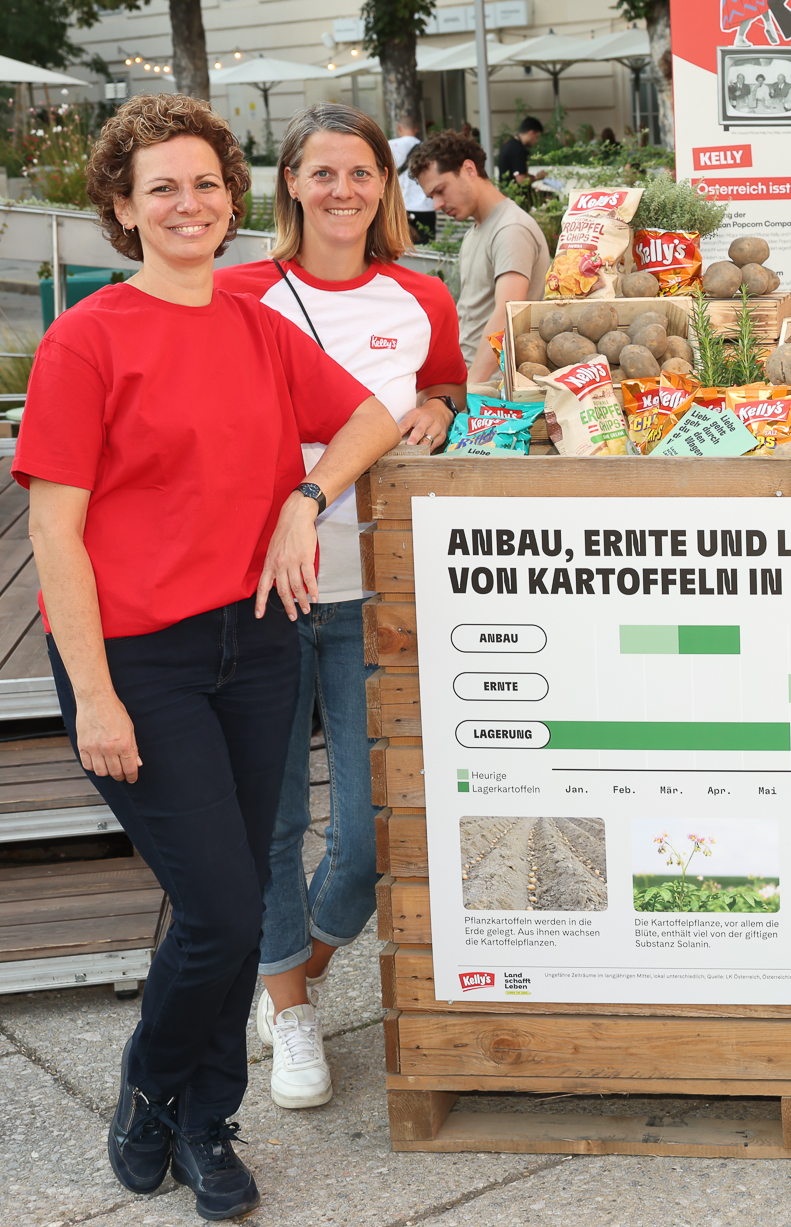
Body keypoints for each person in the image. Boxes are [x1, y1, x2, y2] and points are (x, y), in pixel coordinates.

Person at [16, 94, 399, 1220]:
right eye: (162, 189)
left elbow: (373, 417)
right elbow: (53, 532)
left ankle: (203, 1118)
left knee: (230, 899)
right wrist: (95, 697)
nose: (188, 204)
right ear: (123, 208)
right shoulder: (86, 338)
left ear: (233, 198)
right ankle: (151, 1087)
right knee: (225, 906)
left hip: (258, 642)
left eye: (205, 183)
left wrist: (305, 498)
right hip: (138, 658)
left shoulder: (256, 326)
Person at [214, 103, 467, 1111]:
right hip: (262, 591)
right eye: (321, 172)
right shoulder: (237, 293)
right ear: (289, 184)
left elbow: (451, 390)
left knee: (370, 838)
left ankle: (295, 971)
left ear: (385, 186)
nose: (342, 190)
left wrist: (440, 406)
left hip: (381, 594)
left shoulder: (420, 295)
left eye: (360, 172)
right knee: (272, 821)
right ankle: (292, 1013)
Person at [409, 127, 549, 385]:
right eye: (431, 197)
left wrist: (469, 388)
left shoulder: (511, 229)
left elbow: (507, 315)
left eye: (441, 190)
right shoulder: (475, 232)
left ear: (469, 170)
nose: (437, 205)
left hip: (490, 389)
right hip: (465, 378)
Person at [387, 112, 437, 244]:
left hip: (400, 206)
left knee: (400, 247)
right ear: (416, 129)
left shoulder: (389, 146)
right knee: (427, 249)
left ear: (399, 128)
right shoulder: (427, 148)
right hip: (426, 206)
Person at [494, 116, 543, 185]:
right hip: (514, 190)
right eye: (536, 137)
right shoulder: (517, 149)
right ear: (531, 133)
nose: (536, 141)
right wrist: (537, 177)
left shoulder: (510, 144)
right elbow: (521, 180)